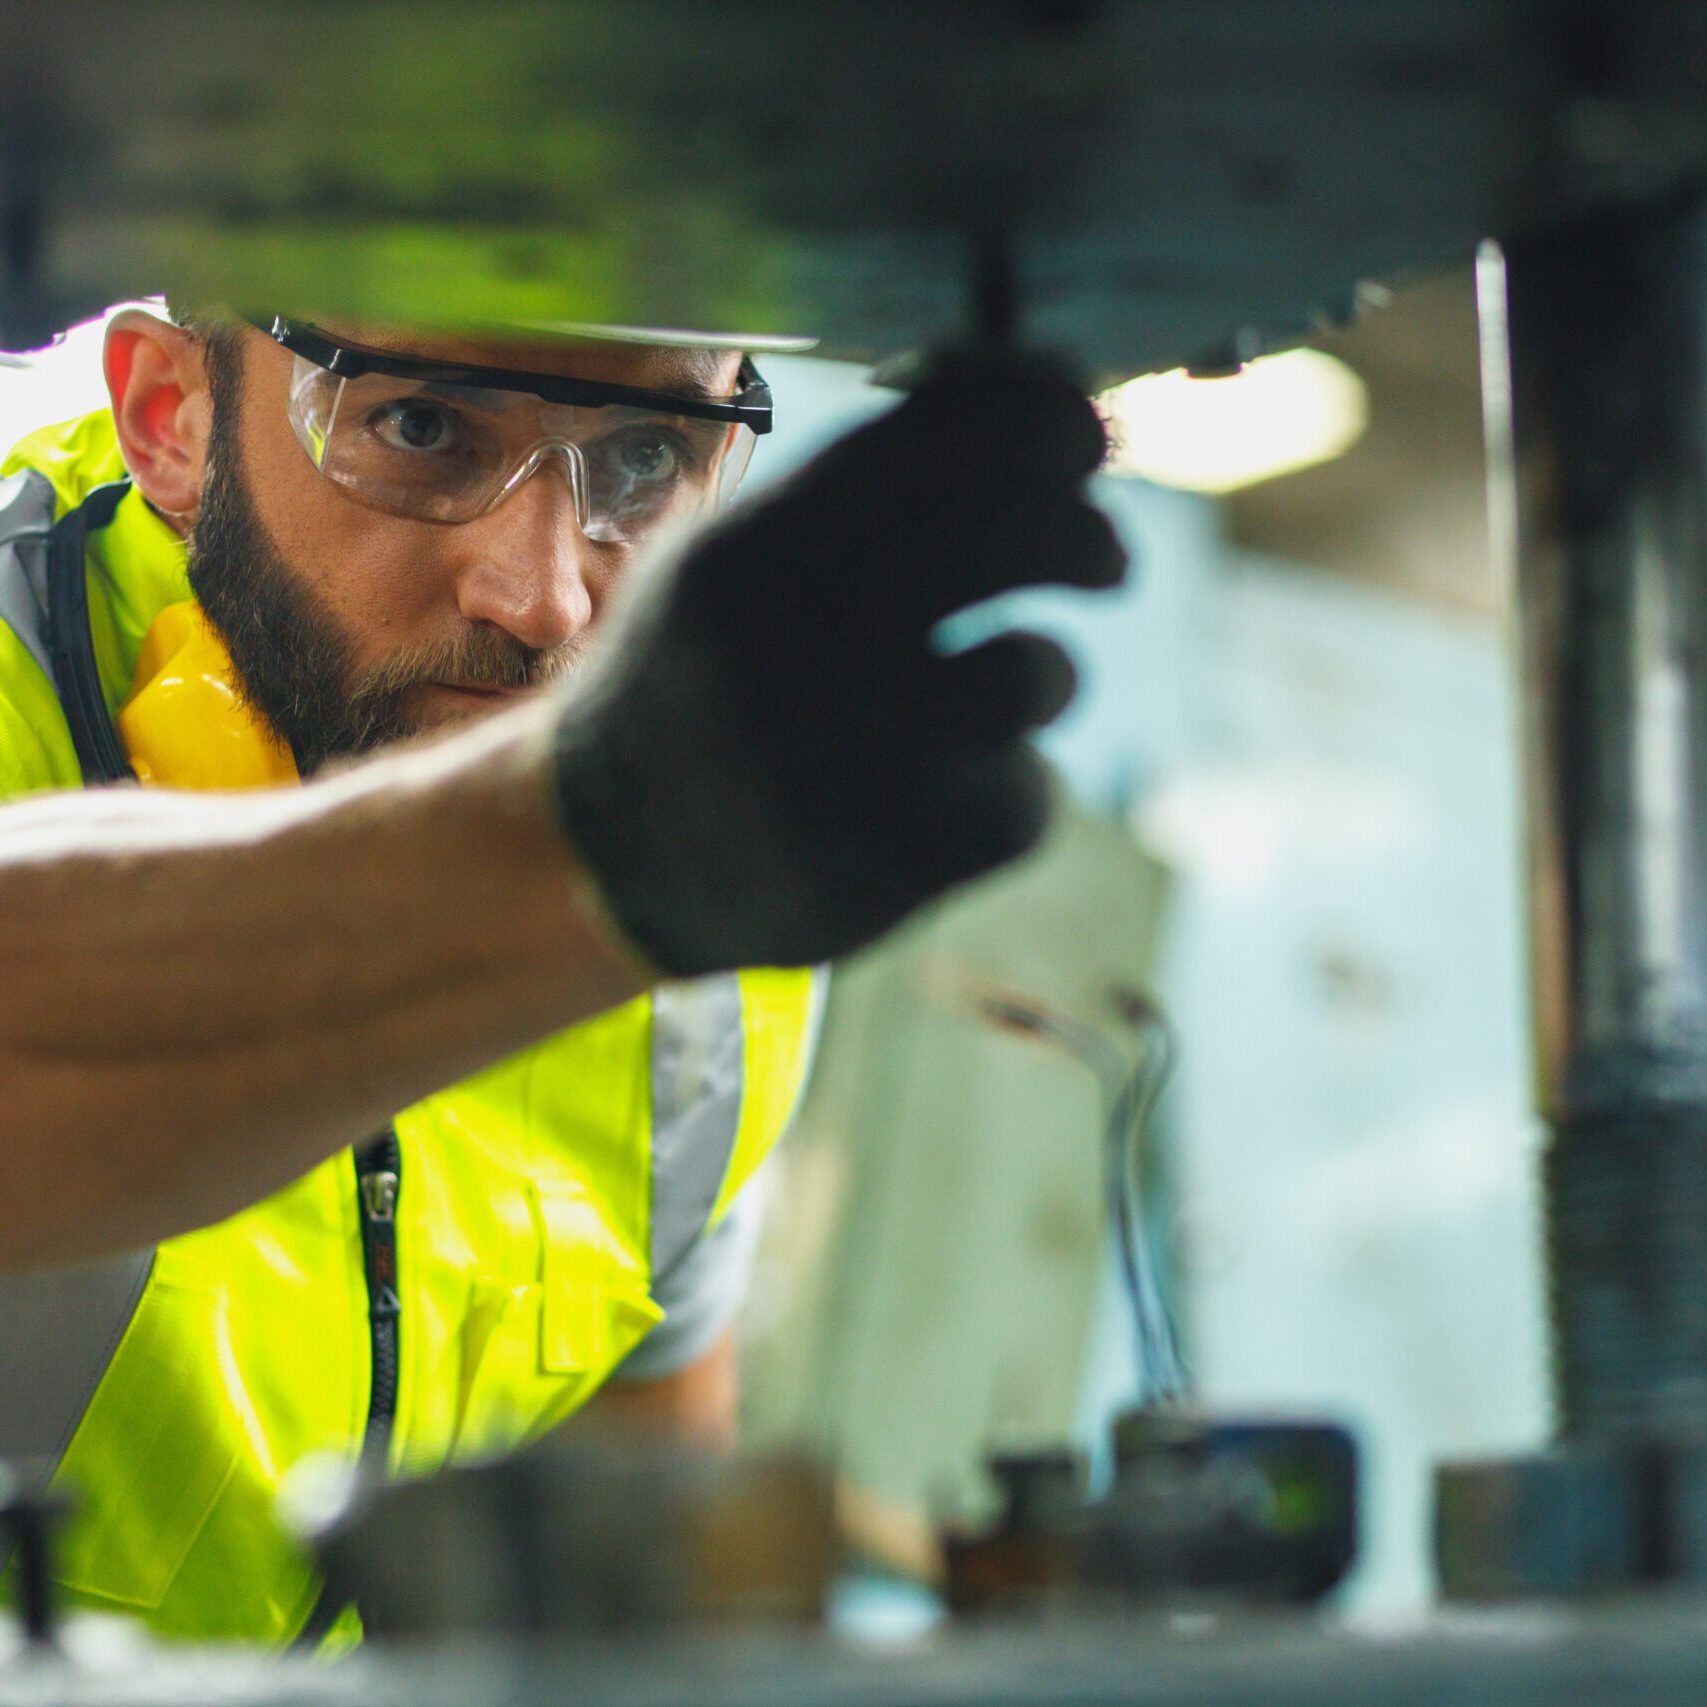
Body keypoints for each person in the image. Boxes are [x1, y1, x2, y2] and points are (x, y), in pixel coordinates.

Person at [0, 302, 1122, 1644]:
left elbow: (639, 1520)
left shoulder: (709, 927)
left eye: (647, 457)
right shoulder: (647, 840)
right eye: (418, 429)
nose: (545, 598)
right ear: (168, 416)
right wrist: (575, 844)